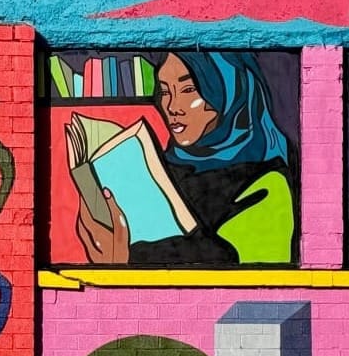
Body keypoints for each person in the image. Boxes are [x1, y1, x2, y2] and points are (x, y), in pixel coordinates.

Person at [76, 51, 297, 265]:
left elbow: (247, 275)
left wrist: (130, 259)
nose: (172, 107)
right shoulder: (162, 168)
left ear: (229, 89)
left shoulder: (269, 182)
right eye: (165, 92)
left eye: (188, 89)